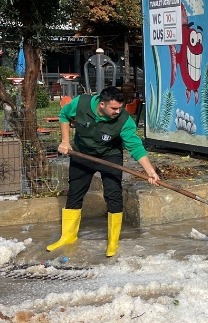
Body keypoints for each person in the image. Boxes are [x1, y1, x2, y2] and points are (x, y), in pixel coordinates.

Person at [47, 85, 159, 257]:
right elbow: (64, 116)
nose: (118, 111)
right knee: (75, 193)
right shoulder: (81, 103)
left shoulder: (124, 120)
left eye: (120, 107)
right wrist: (65, 141)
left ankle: (113, 241)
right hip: (82, 153)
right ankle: (68, 236)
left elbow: (135, 146)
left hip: (109, 156)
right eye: (114, 108)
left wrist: (150, 171)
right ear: (101, 104)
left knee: (113, 195)